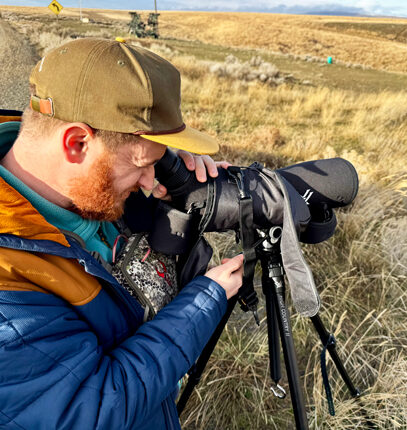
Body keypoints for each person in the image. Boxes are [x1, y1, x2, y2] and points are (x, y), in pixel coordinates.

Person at [0, 37, 243, 429]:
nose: (149, 180)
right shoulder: (6, 286)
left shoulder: (84, 188)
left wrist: (180, 186)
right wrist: (204, 302)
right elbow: (93, 410)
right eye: (142, 165)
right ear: (77, 143)